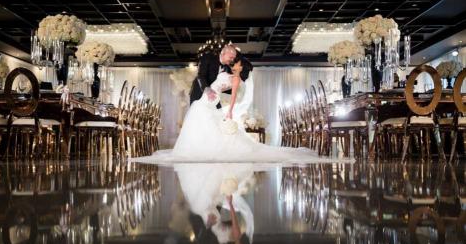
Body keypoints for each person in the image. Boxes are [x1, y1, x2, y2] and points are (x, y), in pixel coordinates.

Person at [131, 44, 347, 164]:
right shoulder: (207, 58)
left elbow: (245, 69)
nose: (231, 59)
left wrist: (239, 60)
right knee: (198, 120)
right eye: (230, 55)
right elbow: (200, 76)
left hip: (213, 100)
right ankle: (199, 149)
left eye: (234, 57)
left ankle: (206, 150)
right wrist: (206, 89)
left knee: (212, 125)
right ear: (223, 53)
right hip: (200, 94)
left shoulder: (231, 70)